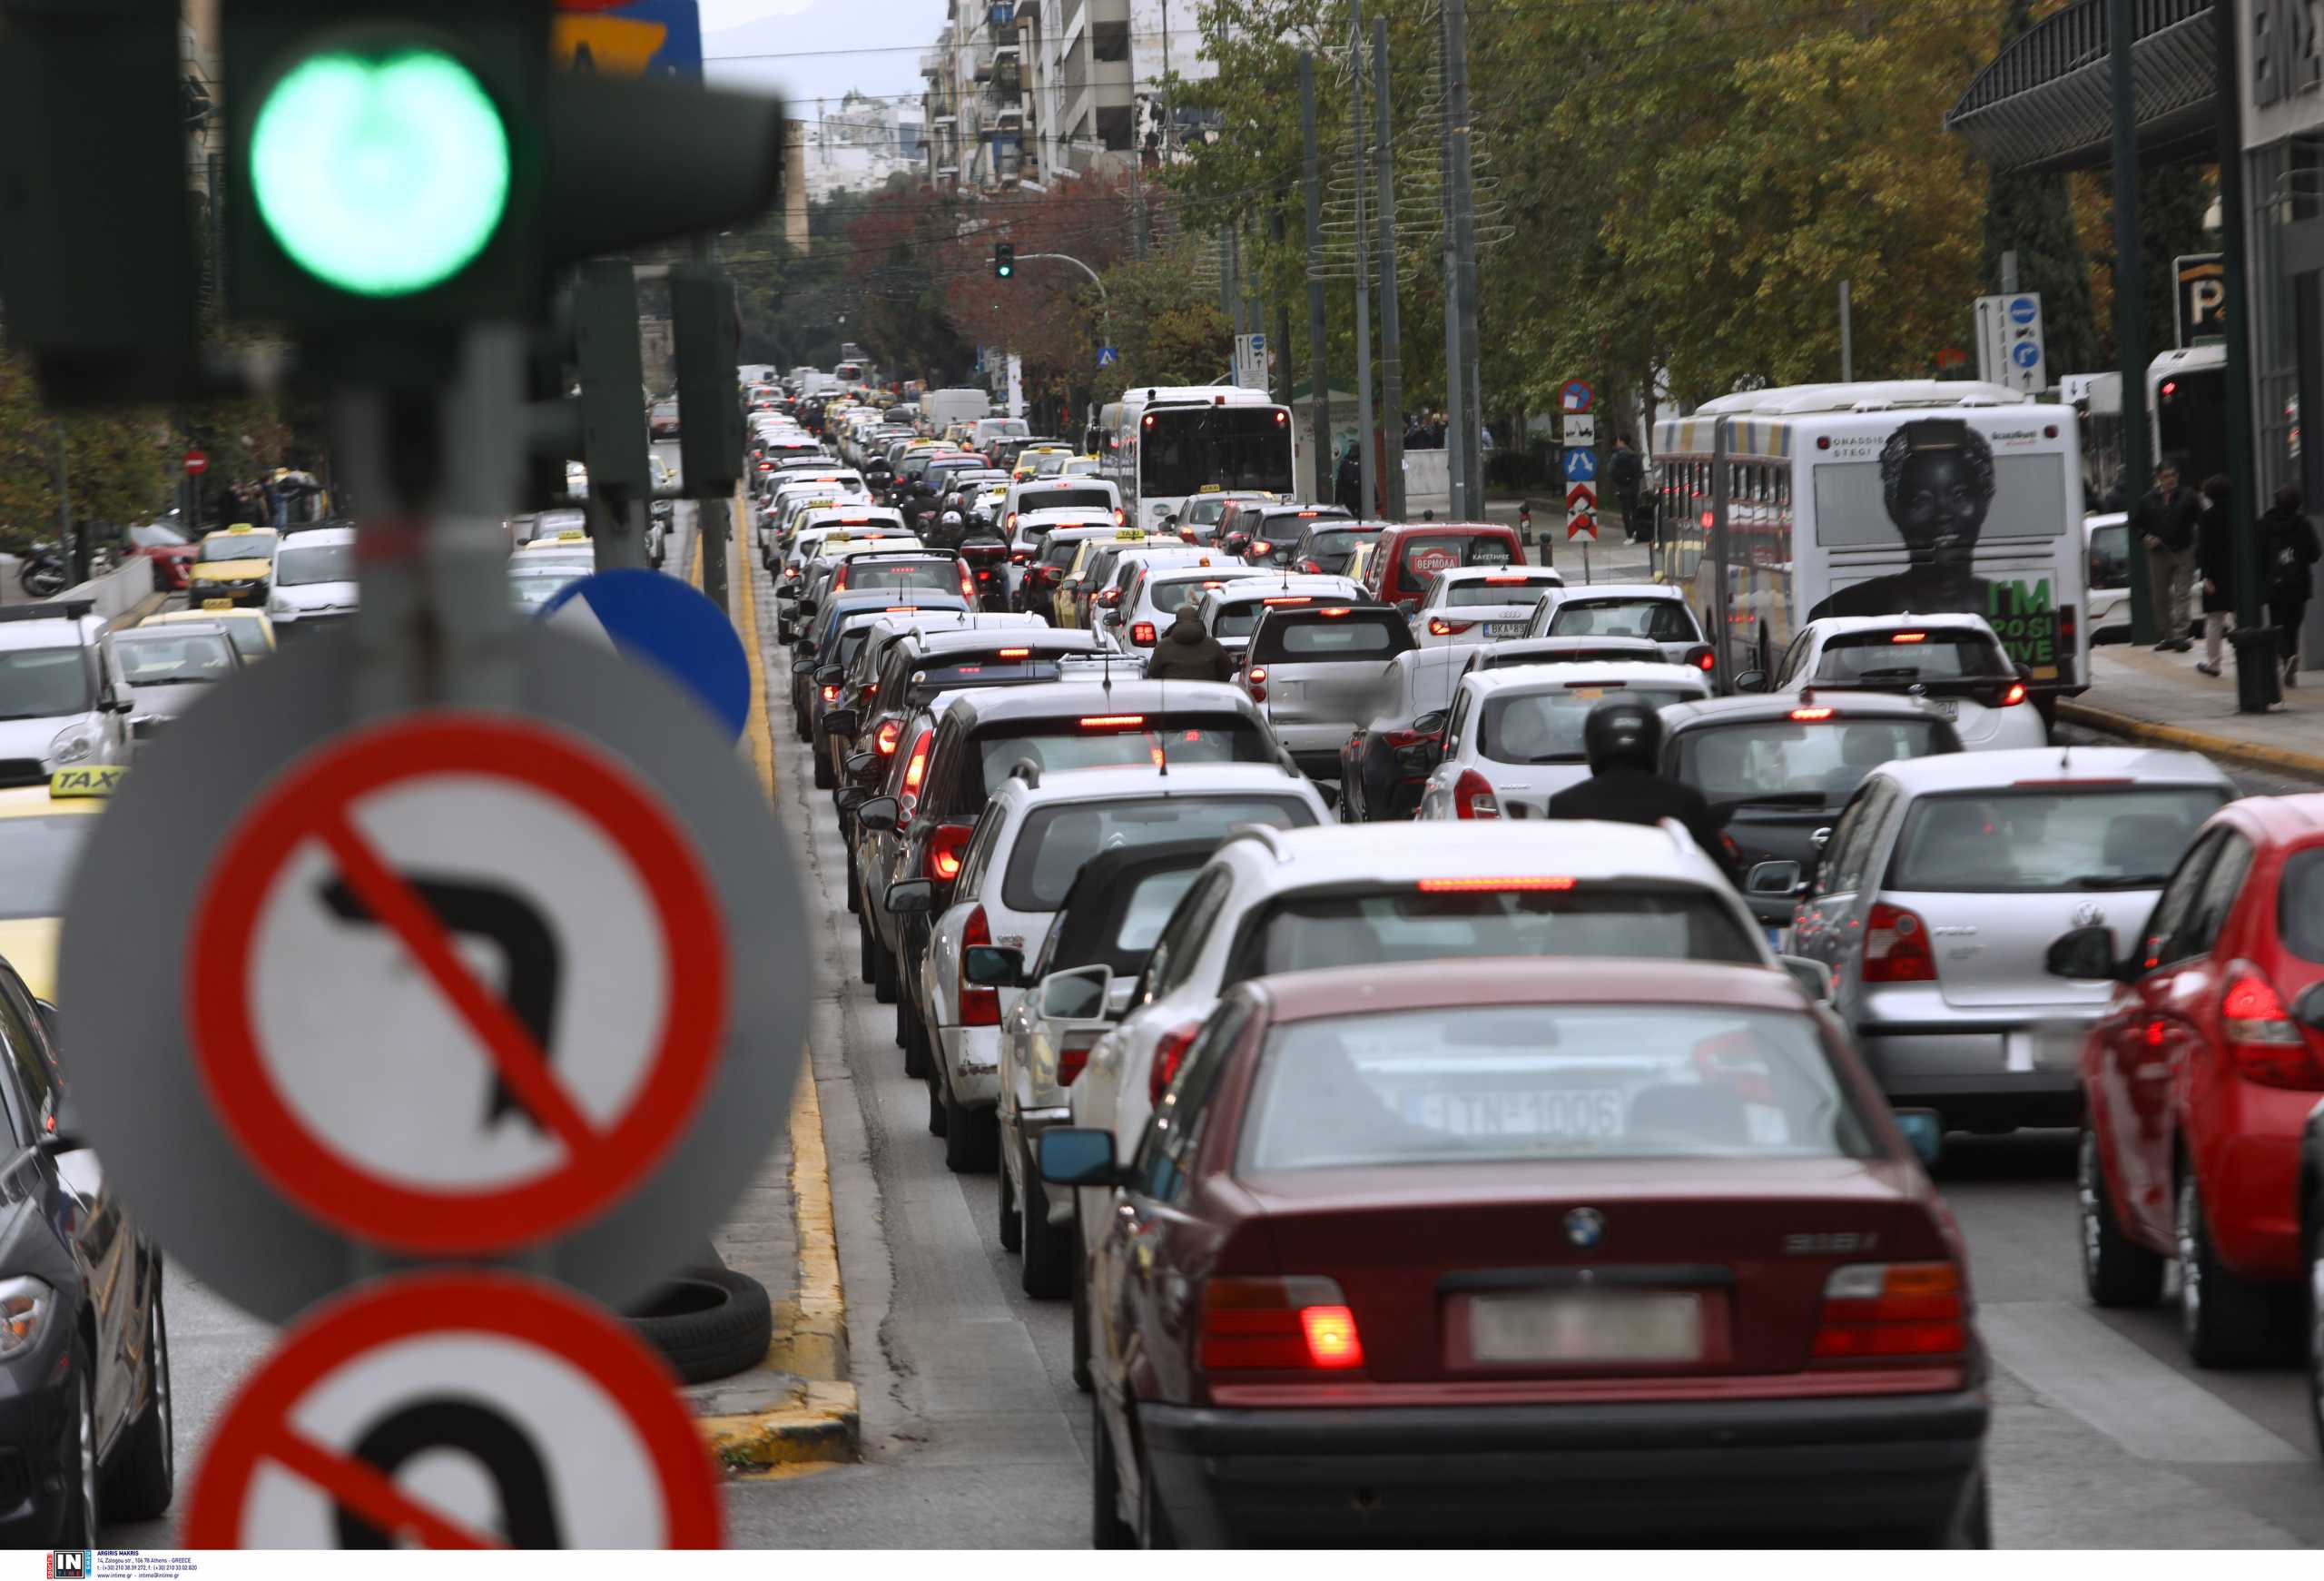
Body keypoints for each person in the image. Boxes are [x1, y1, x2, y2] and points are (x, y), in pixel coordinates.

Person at [1803, 418, 1997, 622]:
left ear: (1985, 501)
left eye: (1959, 496)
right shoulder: (1842, 611)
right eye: (1921, 501)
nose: (1943, 515)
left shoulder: (2017, 611)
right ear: (1894, 509)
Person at [1543, 698, 1735, 880]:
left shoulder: (1565, 805)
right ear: (1654, 741)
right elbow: (1723, 875)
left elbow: (1549, 877)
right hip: (1669, 911)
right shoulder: (1685, 801)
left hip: (1588, 912)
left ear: (1592, 743)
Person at [2132, 462, 2201, 652]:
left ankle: (2180, 635)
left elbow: (2200, 520)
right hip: (2158, 553)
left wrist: (2197, 545)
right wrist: (2145, 537)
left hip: (2183, 551)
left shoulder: (2188, 496)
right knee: (2160, 597)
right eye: (2166, 476)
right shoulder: (2147, 500)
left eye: (2173, 475)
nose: (2170, 480)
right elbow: (2136, 525)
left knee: (2182, 595)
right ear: (2159, 478)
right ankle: (2168, 635)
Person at [2262, 485, 2320, 688]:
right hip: (2299, 583)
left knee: (2278, 623)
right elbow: (2315, 554)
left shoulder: (2266, 524)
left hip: (2275, 583)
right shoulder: (2303, 524)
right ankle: (2291, 660)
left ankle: (2286, 657)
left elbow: (2259, 554)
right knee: (2293, 625)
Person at [2194, 474, 2235, 677]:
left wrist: (2206, 576)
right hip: (2236, 571)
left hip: (2215, 574)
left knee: (2214, 619)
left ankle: (2214, 663)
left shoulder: (2207, 517)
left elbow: (2205, 549)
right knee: (2238, 615)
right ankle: (2242, 655)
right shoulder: (2238, 514)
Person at [1146, 604, 1235, 682]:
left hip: (1173, 696)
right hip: (1206, 696)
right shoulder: (1213, 645)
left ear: (1176, 623)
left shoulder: (1163, 646)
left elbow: (1153, 672)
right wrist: (1215, 685)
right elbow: (1227, 670)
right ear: (1198, 620)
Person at [1609, 434, 1647, 544]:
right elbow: (1640, 473)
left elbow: (1610, 471)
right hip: (1634, 487)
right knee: (1635, 511)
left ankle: (1629, 535)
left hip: (1622, 488)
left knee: (1625, 512)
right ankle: (1636, 533)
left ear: (1621, 441)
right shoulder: (1635, 455)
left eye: (1618, 440)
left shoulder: (1616, 455)